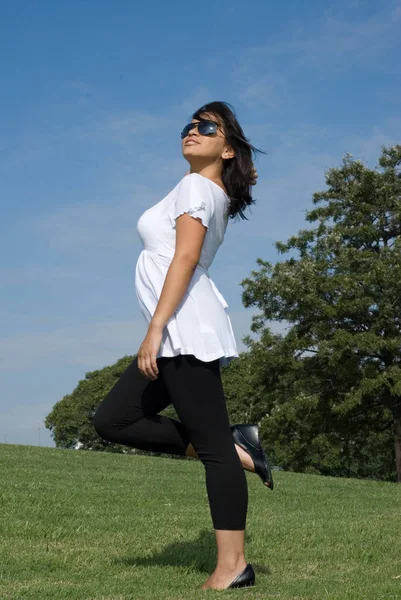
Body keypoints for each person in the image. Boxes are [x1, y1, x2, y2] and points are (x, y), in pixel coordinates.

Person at [93, 101, 273, 591]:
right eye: (189, 126)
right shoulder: (196, 188)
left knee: (212, 447)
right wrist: (158, 329)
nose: (193, 131)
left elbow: (186, 258)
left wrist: (155, 329)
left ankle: (234, 566)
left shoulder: (198, 187)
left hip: (184, 328)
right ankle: (234, 446)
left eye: (207, 126)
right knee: (113, 419)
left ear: (228, 148)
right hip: (175, 327)